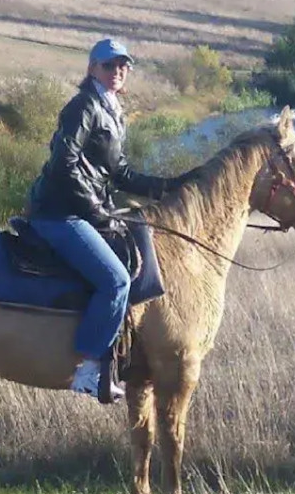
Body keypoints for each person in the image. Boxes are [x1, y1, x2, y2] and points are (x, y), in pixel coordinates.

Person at [27, 38, 181, 397]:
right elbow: (63, 165)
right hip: (60, 212)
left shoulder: (111, 109)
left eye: (123, 66)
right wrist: (96, 211)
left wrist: (168, 187)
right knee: (115, 281)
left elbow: (120, 172)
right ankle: (88, 368)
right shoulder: (83, 106)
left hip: (86, 208)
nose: (117, 72)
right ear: (92, 69)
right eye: (109, 66)